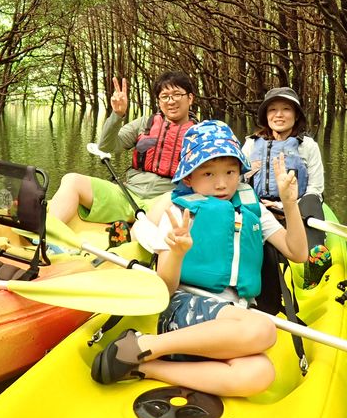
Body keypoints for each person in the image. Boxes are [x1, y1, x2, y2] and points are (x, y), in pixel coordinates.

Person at [90, 120, 308, 397]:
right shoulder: (182, 215)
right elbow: (166, 290)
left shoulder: (252, 208)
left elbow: (298, 253)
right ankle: (146, 344)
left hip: (235, 318)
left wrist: (289, 204)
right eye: (208, 174)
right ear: (189, 178)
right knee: (264, 330)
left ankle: (143, 367)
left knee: (260, 374)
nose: (221, 183)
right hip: (185, 309)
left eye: (230, 172)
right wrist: (177, 253)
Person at [47, 71, 197, 227]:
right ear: (159, 101)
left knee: (173, 210)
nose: (171, 101)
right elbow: (106, 146)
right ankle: (46, 236)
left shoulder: (201, 133)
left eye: (177, 94)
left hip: (164, 201)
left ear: (190, 98)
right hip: (127, 194)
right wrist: (117, 115)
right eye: (165, 96)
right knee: (71, 180)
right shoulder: (145, 123)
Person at [242, 87, 329, 285]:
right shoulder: (250, 144)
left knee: (312, 201)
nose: (279, 115)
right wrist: (262, 206)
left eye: (286, 109)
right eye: (272, 109)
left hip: (297, 206)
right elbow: (238, 182)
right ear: (266, 115)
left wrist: (285, 206)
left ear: (296, 115)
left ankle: (315, 269)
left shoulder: (307, 145)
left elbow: (316, 188)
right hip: (258, 207)